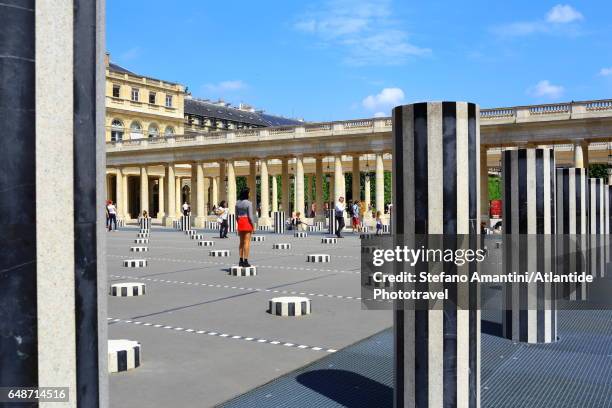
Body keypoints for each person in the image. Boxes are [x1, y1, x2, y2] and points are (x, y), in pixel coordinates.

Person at [236, 187, 256, 267]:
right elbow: (250, 216)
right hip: (247, 222)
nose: (249, 194)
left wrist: (239, 222)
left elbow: (236, 215)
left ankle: (240, 260)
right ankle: (246, 261)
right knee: (247, 242)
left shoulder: (237, 203)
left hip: (240, 221)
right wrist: (253, 226)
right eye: (249, 192)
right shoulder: (249, 203)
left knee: (241, 242)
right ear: (246, 193)